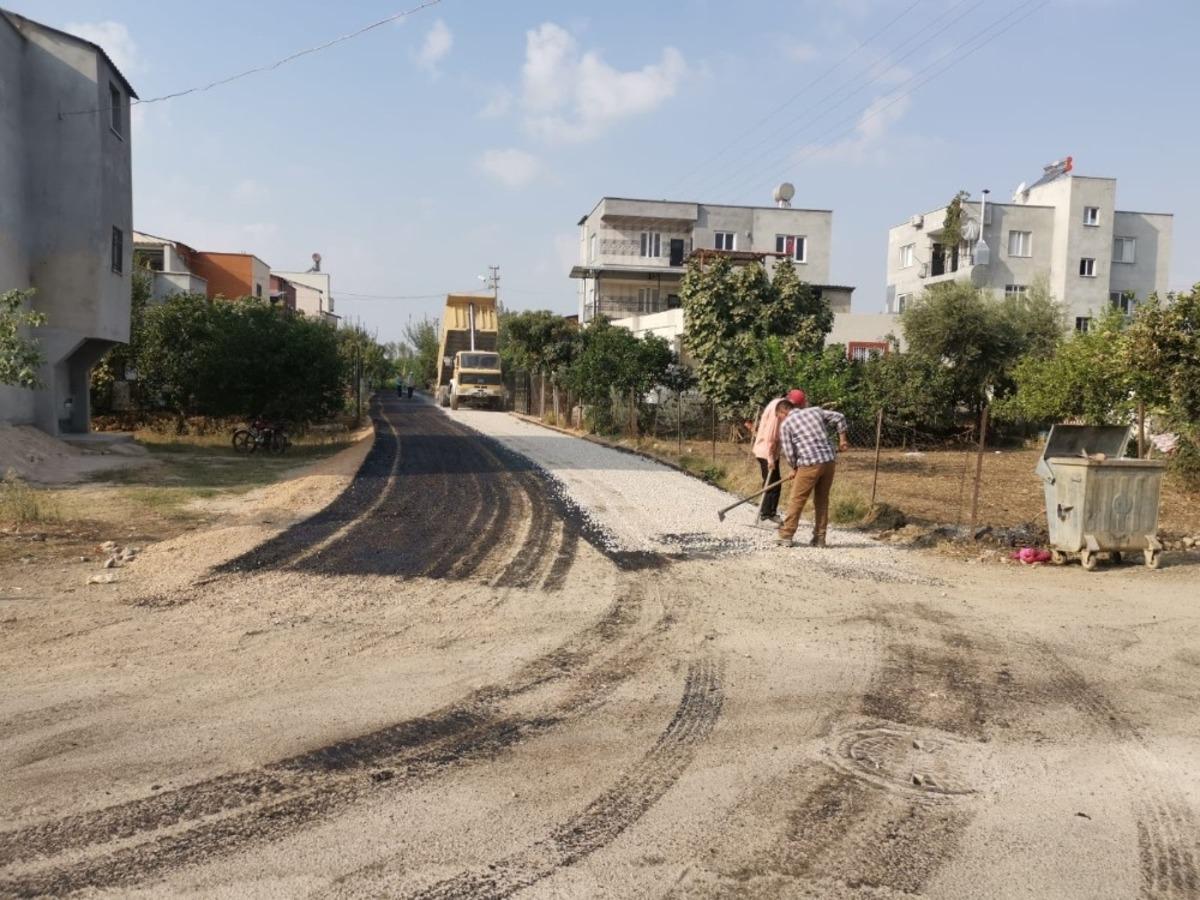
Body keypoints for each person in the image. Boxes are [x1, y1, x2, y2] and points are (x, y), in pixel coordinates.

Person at [776, 389, 849, 548]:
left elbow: (789, 452)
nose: (779, 420)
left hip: (809, 464)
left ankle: (786, 535)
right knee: (822, 500)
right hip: (829, 462)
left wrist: (794, 467)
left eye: (778, 416)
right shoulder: (815, 411)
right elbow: (840, 417)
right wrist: (842, 439)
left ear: (783, 411)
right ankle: (820, 539)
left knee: (797, 499)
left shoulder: (786, 424)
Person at [752, 390, 803, 523]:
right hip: (766, 451)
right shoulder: (777, 412)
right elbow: (770, 438)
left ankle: (766, 511)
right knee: (772, 483)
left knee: (772, 482)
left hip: (770, 451)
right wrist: (770, 459)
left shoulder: (779, 405)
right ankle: (768, 513)